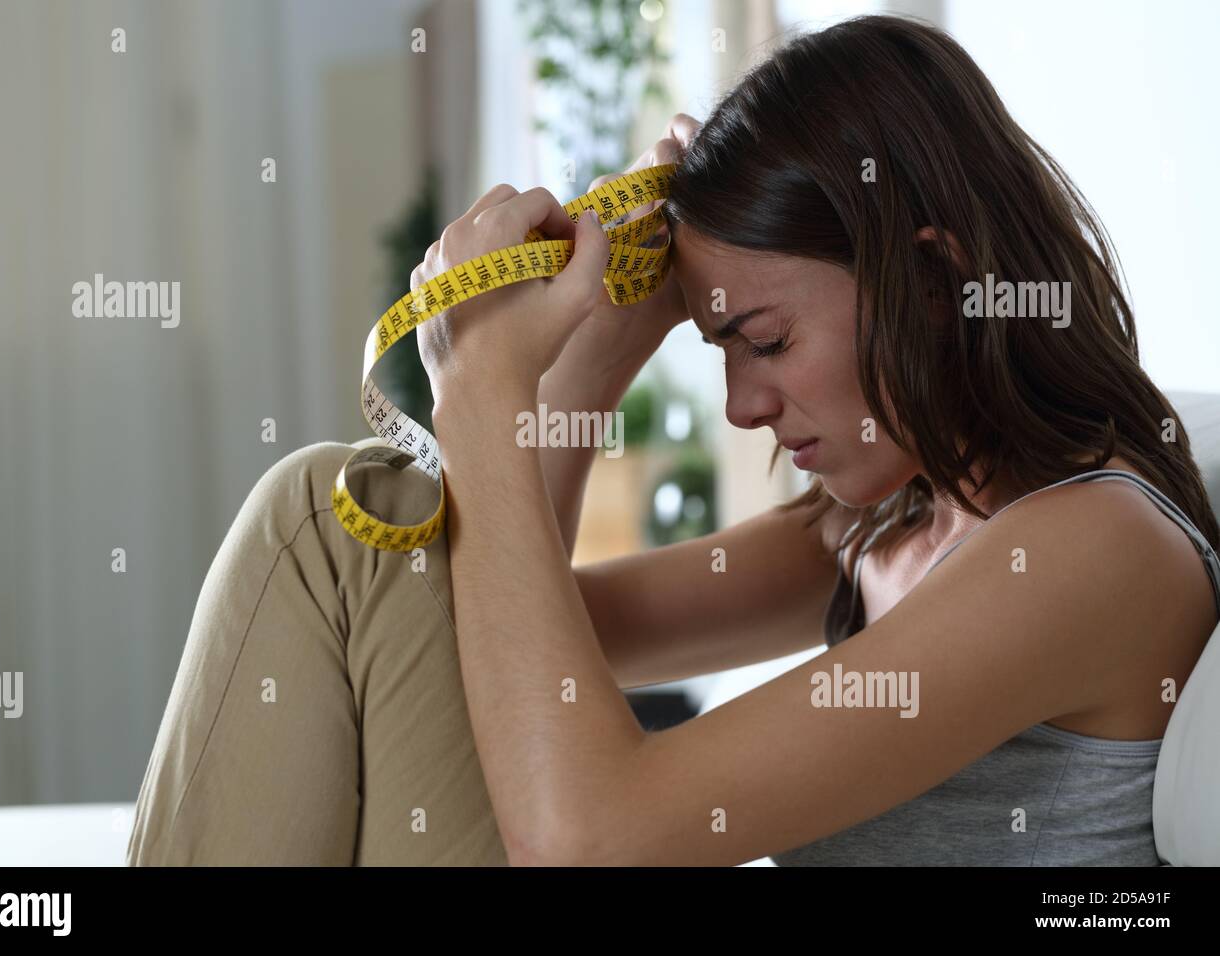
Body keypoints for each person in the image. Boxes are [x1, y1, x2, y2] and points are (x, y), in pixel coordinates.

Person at [127, 14, 1220, 867]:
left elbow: (586, 838)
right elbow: (497, 643)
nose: (743, 404)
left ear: (932, 282)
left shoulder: (1087, 547)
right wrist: (601, 346)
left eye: (767, 338)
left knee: (324, 513)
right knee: (333, 520)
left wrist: (486, 398)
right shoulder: (874, 525)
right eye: (719, 348)